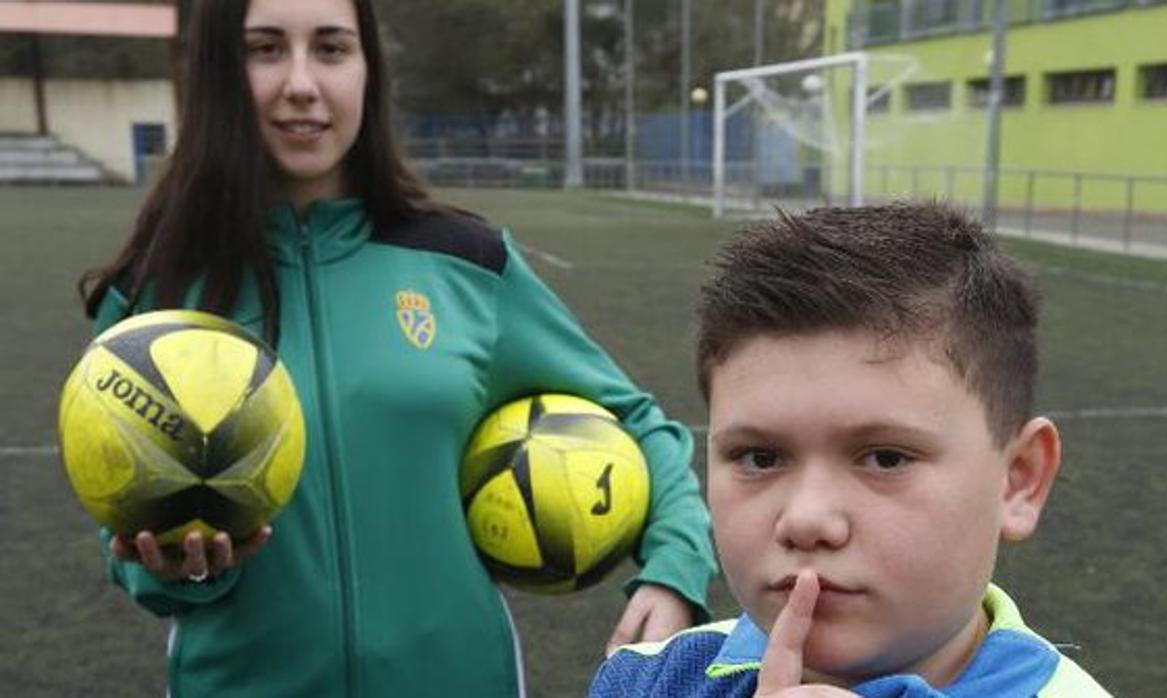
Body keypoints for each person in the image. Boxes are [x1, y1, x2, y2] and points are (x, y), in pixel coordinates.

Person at [76, 0, 716, 695]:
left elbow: (636, 420)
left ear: (369, 69)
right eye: (264, 49)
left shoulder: (465, 261)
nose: (301, 82)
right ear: (217, 72)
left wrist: (675, 570)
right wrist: (176, 568)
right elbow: (130, 548)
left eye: (330, 48)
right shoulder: (157, 288)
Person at [588, 202, 1114, 697]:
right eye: (759, 458)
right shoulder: (649, 679)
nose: (806, 519)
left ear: (1018, 479)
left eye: (886, 458)